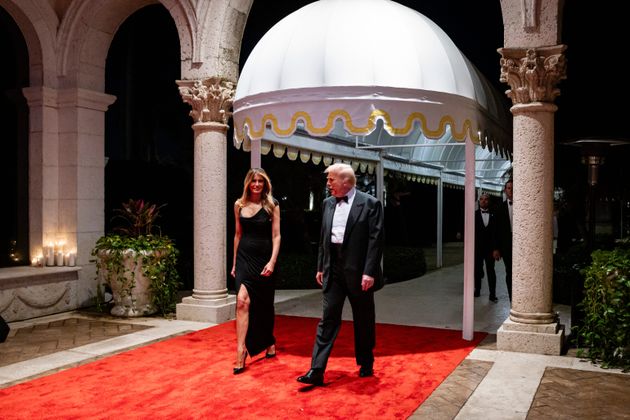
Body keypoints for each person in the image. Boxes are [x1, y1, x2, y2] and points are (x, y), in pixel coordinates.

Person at [297, 163, 384, 386]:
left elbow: (376, 241)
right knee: (327, 319)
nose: (328, 184)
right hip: (333, 269)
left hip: (359, 272)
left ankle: (366, 362)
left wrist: (369, 271)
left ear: (346, 181)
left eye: (331, 180)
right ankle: (316, 369)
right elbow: (323, 239)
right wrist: (320, 266)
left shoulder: (371, 204)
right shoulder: (327, 204)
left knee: (363, 320)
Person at [231, 168, 281, 374]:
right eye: (254, 181)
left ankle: (268, 341)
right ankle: (241, 350)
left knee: (264, 304)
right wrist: (234, 263)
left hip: (263, 259)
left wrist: (272, 262)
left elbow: (277, 236)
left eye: (260, 181)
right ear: (248, 184)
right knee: (242, 301)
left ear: (265, 184)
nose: (257, 184)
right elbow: (237, 234)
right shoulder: (239, 205)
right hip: (244, 258)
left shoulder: (272, 205)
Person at [474, 192, 499, 302]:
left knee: (491, 271)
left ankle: (492, 294)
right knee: (477, 270)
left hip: (490, 249)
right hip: (477, 248)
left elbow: (496, 233)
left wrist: (496, 249)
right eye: (482, 199)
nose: (483, 201)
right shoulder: (474, 215)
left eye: (486, 199)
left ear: (489, 201)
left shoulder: (494, 215)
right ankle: (477, 290)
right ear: (479, 201)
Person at [495, 179, 513, 301]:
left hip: (521, 244)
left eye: (513, 188)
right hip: (506, 245)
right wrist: (496, 248)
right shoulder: (499, 208)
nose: (511, 190)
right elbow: (496, 230)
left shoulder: (524, 206)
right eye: (509, 188)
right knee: (509, 271)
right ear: (505, 190)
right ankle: (512, 297)